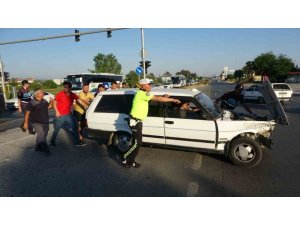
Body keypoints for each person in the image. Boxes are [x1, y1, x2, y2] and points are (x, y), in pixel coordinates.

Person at [120, 78, 181, 168]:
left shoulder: (143, 94)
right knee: (138, 143)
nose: (150, 86)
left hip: (138, 121)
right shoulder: (141, 94)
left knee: (137, 142)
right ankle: (124, 157)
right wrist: (172, 99)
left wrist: (164, 96)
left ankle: (131, 161)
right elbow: (157, 98)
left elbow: (153, 98)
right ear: (143, 85)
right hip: (135, 122)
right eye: (149, 84)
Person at [50, 81, 86, 147]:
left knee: (74, 127)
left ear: (70, 88)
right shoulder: (60, 94)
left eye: (66, 87)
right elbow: (54, 103)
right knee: (57, 129)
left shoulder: (73, 94)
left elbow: (79, 100)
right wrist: (57, 112)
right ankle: (52, 141)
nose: (65, 89)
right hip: (60, 115)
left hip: (69, 114)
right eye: (64, 87)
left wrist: (86, 106)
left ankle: (77, 142)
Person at [23, 88, 53, 155]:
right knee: (41, 134)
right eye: (42, 92)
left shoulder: (44, 101)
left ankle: (37, 147)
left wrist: (51, 101)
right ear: (37, 94)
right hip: (36, 122)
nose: (43, 93)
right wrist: (25, 123)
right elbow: (27, 113)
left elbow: (49, 107)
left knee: (43, 135)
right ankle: (46, 149)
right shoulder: (32, 102)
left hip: (45, 121)